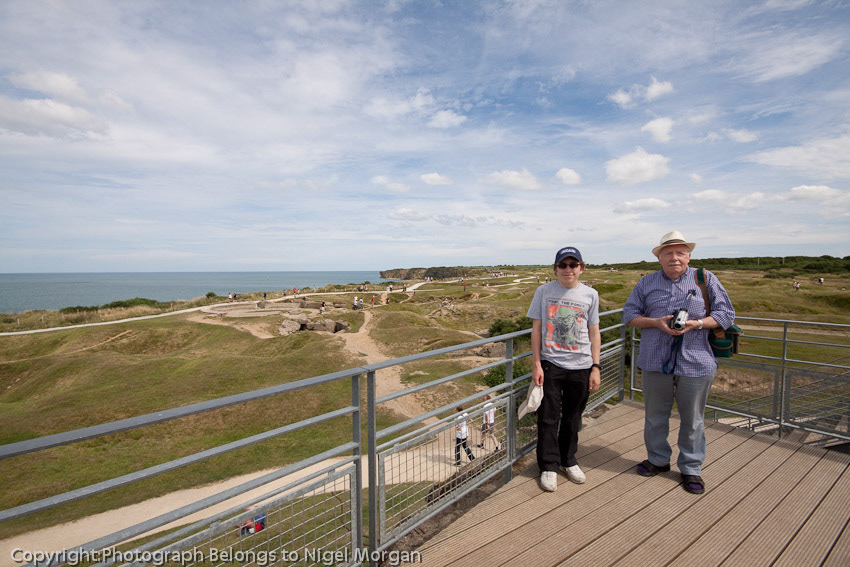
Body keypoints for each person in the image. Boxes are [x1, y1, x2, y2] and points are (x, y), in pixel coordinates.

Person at [622, 230, 735, 495]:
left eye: (680, 252)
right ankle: (658, 460)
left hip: (696, 361)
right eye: (668, 253)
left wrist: (696, 324)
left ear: (688, 256)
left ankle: (691, 468)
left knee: (693, 419)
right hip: (654, 360)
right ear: (659, 258)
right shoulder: (647, 283)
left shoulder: (705, 279)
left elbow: (726, 313)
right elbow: (629, 314)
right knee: (654, 416)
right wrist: (655, 323)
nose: (674, 257)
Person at [527, 246, 601, 492]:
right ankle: (549, 466)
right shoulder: (543, 291)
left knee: (572, 417)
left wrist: (595, 366)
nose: (568, 270)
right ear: (555, 268)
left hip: (581, 365)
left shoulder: (591, 295)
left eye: (573, 265)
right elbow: (536, 329)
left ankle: (568, 460)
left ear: (582, 267)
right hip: (551, 364)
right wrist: (537, 364)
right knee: (548, 417)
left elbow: (594, 332)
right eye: (563, 265)